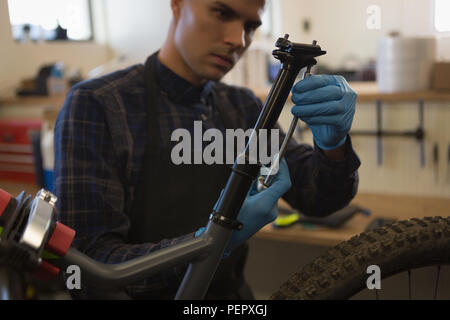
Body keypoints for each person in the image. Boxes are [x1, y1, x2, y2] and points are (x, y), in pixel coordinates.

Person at [54, 0, 361, 299]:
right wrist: (210, 243)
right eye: (221, 12)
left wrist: (331, 145)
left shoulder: (242, 107)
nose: (237, 39)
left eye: (250, 25)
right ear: (176, 5)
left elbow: (317, 197)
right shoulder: (100, 105)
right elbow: (88, 271)